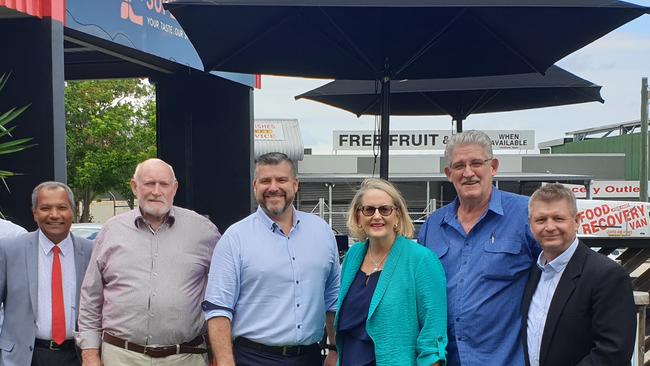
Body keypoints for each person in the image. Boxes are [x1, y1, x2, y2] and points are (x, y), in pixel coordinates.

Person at [76, 158, 221, 366]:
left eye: (163, 184)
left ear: (175, 188)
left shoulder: (204, 232)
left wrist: (220, 351)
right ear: (135, 187)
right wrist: (90, 355)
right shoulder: (111, 231)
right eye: (149, 183)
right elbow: (91, 297)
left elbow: (223, 295)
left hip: (186, 357)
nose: (156, 191)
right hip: (121, 357)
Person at [203, 152, 340, 366]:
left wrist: (334, 348)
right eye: (266, 181)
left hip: (310, 357)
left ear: (296, 185)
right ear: (255, 186)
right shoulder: (235, 238)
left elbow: (333, 298)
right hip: (253, 358)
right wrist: (225, 361)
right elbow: (218, 308)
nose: (273, 187)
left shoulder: (322, 232)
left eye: (282, 180)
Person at [418, 130, 539, 366]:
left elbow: (558, 277)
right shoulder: (432, 225)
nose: (468, 173)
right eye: (459, 165)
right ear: (448, 173)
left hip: (504, 359)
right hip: (445, 359)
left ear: (493, 167)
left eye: (476, 163)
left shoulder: (526, 215)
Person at [521, 183, 636, 366]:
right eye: (541, 220)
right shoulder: (533, 273)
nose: (550, 227)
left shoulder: (607, 276)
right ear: (530, 225)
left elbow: (613, 353)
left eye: (558, 218)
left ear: (576, 221)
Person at [337, 178, 447, 366]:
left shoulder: (421, 260)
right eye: (369, 210)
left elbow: (432, 338)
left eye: (385, 209)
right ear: (358, 216)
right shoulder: (353, 256)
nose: (377, 216)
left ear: (397, 215)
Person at [0, 182, 94, 366]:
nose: (54, 215)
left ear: (72, 211)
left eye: (62, 207)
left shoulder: (90, 251)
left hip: (76, 356)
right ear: (35, 213)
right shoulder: (10, 250)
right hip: (25, 357)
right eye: (45, 208)